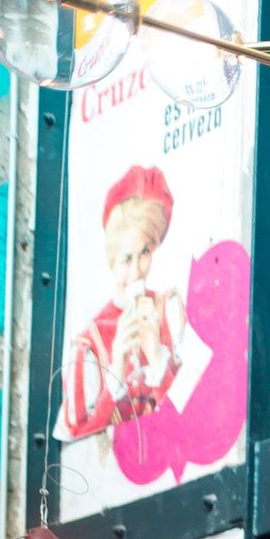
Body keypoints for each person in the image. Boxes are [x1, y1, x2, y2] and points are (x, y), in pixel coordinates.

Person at [65, 165, 186, 439]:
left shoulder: (171, 310)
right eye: (126, 260)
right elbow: (78, 439)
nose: (136, 272)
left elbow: (194, 411)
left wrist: (156, 357)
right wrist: (116, 369)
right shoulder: (88, 345)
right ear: (111, 261)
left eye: (144, 253)